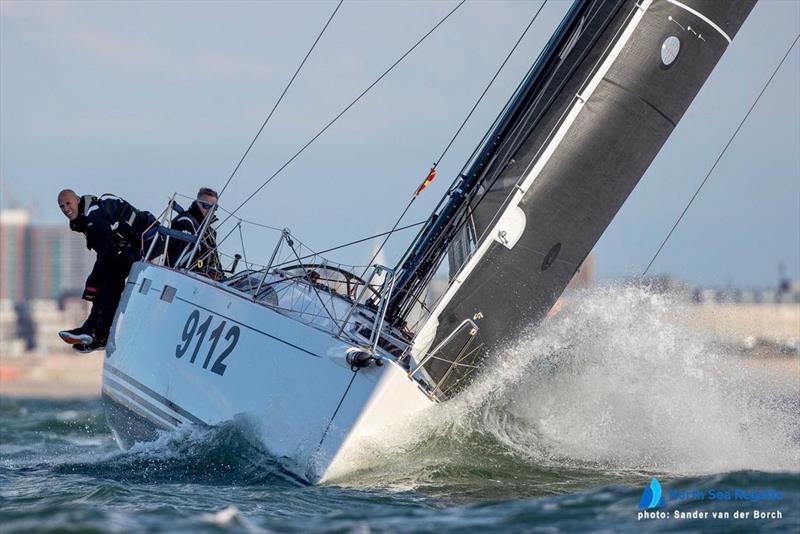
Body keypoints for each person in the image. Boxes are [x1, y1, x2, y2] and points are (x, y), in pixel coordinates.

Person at [57, 189, 157, 353]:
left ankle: (99, 334)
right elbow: (107, 253)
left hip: (145, 245)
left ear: (77, 199)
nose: (66, 209)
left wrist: (93, 282)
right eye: (62, 206)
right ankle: (92, 330)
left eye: (68, 203)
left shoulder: (94, 217)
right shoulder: (86, 217)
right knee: (101, 282)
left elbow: (108, 254)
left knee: (109, 283)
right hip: (129, 246)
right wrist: (93, 283)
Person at [167, 187, 223, 280]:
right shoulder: (185, 222)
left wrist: (220, 274)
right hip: (180, 278)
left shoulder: (210, 232)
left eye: (214, 208)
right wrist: (203, 271)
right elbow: (179, 259)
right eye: (206, 206)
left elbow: (214, 260)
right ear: (197, 203)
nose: (210, 210)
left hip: (207, 279)